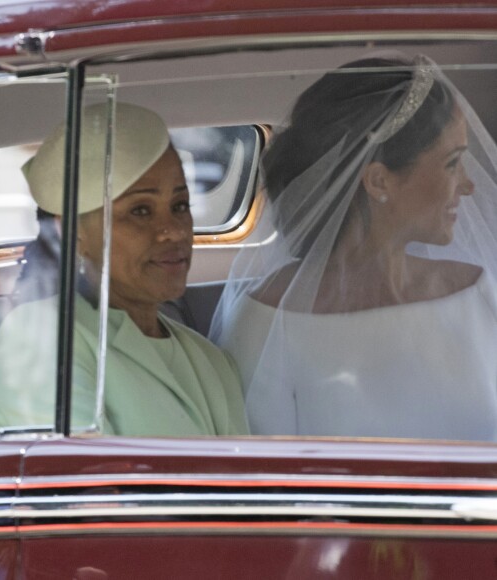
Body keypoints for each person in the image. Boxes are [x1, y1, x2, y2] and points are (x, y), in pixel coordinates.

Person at [210, 54, 497, 440]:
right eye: (451, 163)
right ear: (379, 181)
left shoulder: (480, 292)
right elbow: (262, 481)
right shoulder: (265, 322)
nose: (468, 185)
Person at [0, 102, 248, 436]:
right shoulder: (40, 337)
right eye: (141, 210)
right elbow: (78, 480)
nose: (175, 230)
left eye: (180, 205)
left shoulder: (210, 360)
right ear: (73, 231)